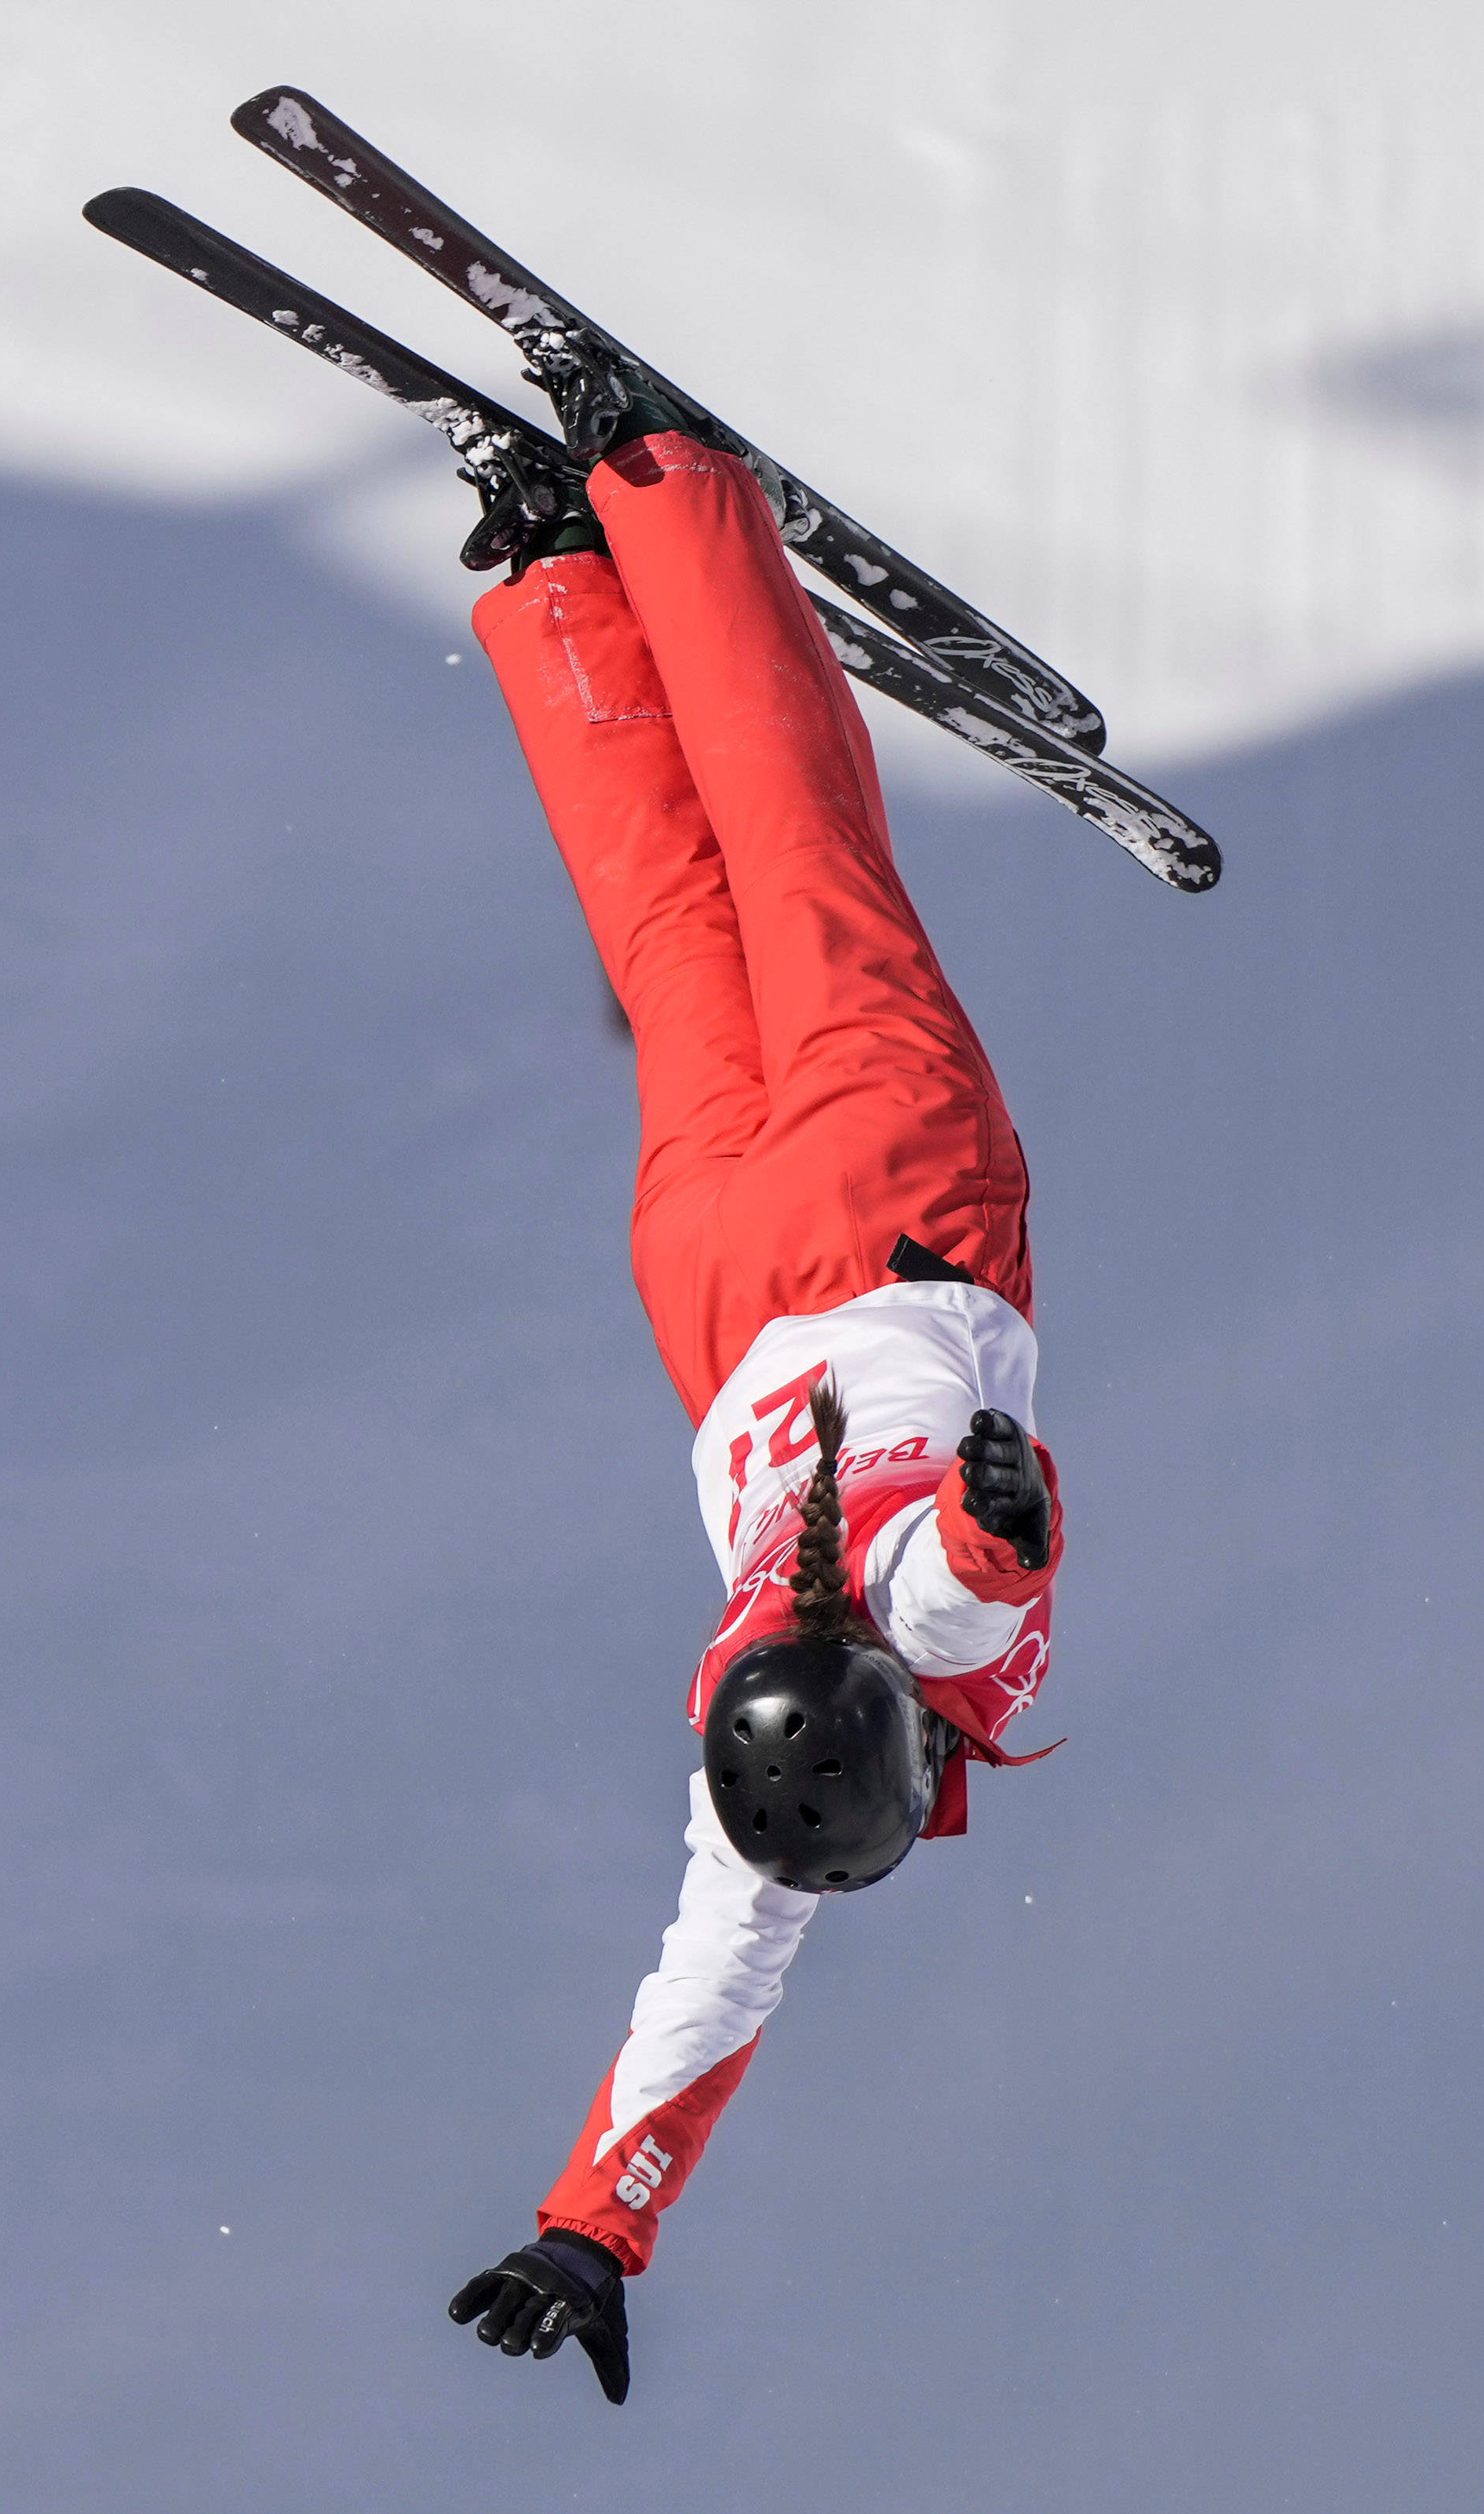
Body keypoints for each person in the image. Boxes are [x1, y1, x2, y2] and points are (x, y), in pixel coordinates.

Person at [446, 411, 1061, 2406]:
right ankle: (554, 575)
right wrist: (589, 2219)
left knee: (800, 856)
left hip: (883, 1208)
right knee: (675, 924)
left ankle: (656, 493)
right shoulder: (774, 1765)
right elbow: (691, 2003)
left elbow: (980, 1594)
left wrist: (997, 1517)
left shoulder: (937, 1667)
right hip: (713, 1270)